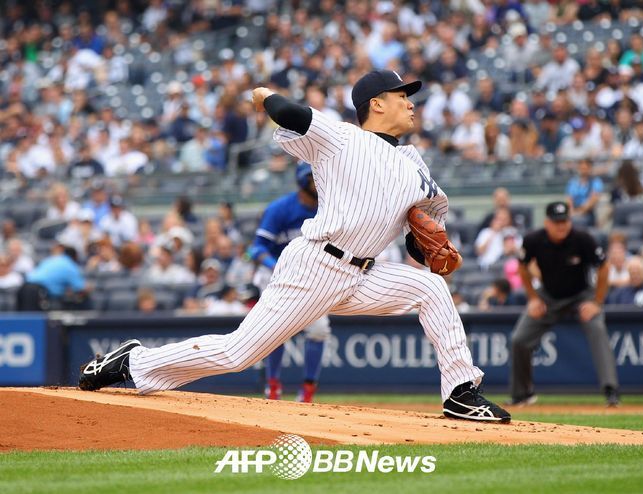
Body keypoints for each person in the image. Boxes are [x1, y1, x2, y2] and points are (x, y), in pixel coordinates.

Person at [79, 69, 510, 423]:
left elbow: (421, 250)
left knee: (430, 287)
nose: (411, 103)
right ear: (376, 104)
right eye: (402, 96)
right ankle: (134, 362)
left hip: (364, 274)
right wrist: (263, 94)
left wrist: (425, 245)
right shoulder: (342, 138)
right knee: (238, 353)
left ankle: (460, 392)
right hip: (317, 266)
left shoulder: (415, 165)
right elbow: (287, 112)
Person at [509, 201, 619, 407]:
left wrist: (597, 302)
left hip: (581, 296)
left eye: (565, 221)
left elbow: (604, 267)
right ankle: (522, 394)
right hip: (548, 297)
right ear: (547, 223)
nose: (561, 226)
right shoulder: (533, 239)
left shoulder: (583, 239)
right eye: (556, 222)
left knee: (597, 329)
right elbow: (522, 266)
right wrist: (533, 298)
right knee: (519, 339)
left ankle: (611, 390)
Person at [248, 162, 330, 403]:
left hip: (311, 278)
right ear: (303, 180)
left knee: (319, 330)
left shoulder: (329, 208)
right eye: (313, 177)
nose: (319, 182)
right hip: (275, 276)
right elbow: (257, 249)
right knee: (276, 331)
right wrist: (277, 266)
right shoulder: (280, 209)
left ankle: (308, 390)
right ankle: (272, 385)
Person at [16, 243, 89, 311]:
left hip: (23, 288)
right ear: (74, 257)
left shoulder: (50, 259)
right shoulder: (70, 265)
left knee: (23, 318)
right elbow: (82, 288)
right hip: (36, 292)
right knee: (33, 319)